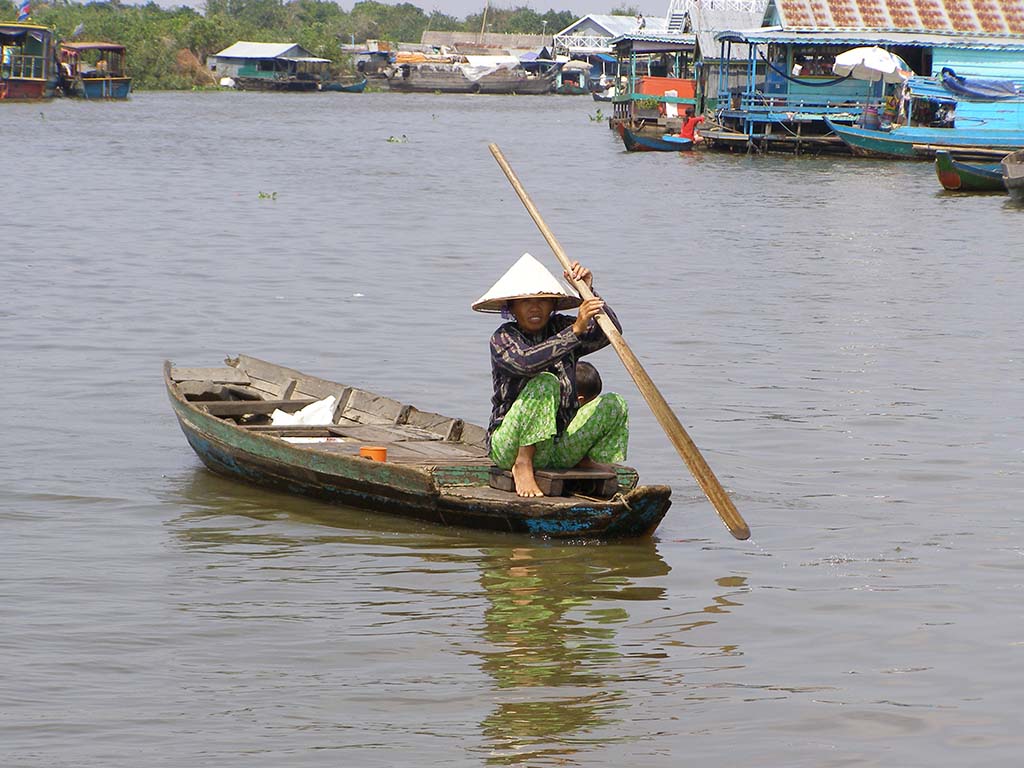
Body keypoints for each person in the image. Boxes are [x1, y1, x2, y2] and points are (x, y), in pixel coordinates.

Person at [473, 253, 629, 498]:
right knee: (546, 382)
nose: (535, 307)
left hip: (556, 446)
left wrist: (589, 292)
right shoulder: (503, 338)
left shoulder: (561, 327)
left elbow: (610, 332)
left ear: (553, 305)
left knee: (614, 403)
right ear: (512, 307)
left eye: (543, 300)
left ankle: (583, 458)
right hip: (510, 446)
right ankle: (523, 464)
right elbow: (525, 363)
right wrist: (574, 332)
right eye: (525, 301)